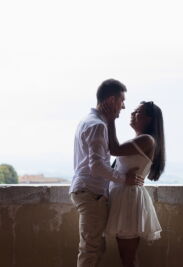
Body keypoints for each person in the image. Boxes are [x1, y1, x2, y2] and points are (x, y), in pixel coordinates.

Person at [69, 79, 143, 267]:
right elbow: (97, 166)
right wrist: (124, 178)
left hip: (87, 191)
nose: (123, 106)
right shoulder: (98, 125)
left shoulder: (89, 120)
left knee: (94, 247)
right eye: (121, 101)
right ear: (111, 100)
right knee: (91, 249)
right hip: (91, 193)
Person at [103, 101, 165, 267]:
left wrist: (111, 119)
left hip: (128, 200)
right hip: (124, 198)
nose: (132, 113)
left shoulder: (147, 140)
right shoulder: (140, 140)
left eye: (138, 112)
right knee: (127, 257)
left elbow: (114, 149)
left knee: (127, 258)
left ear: (149, 119)